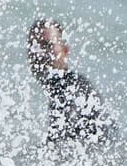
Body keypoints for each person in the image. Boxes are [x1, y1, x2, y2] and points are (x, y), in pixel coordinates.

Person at [27, 18, 116, 146]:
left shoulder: (68, 87)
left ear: (65, 50)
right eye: (34, 46)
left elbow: (57, 144)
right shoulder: (71, 83)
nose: (39, 54)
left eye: (47, 46)